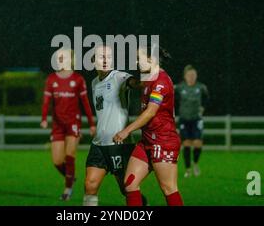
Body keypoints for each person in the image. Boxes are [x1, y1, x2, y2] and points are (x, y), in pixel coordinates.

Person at [113, 46, 183, 206]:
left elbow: (150, 112)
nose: (137, 62)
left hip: (163, 141)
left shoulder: (161, 82)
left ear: (152, 59)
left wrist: (126, 130)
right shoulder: (148, 79)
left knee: (168, 188)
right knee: (130, 184)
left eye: (140, 58)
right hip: (146, 142)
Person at [83, 45, 147, 206]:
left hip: (119, 144)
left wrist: (148, 77)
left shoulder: (119, 77)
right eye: (101, 57)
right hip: (99, 144)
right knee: (90, 185)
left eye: (109, 57)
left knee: (127, 189)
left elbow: (135, 83)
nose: (105, 60)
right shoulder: (94, 82)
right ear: (93, 61)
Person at [41, 48, 96, 201]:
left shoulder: (78, 79)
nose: (59, 59)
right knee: (57, 161)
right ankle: (71, 177)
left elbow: (85, 102)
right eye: (57, 57)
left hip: (73, 124)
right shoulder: (51, 79)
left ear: (70, 59)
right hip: (57, 125)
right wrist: (44, 118)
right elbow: (47, 101)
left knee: (69, 156)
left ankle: (68, 188)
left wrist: (92, 124)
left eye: (62, 57)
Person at [175, 65, 209, 177]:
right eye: (189, 75)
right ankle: (188, 169)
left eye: (193, 75)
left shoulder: (201, 87)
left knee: (198, 143)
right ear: (185, 76)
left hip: (196, 119)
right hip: (184, 119)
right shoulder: (179, 88)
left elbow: (207, 98)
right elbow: (173, 100)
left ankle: (195, 163)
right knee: (187, 143)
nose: (191, 77)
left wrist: (203, 107)